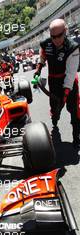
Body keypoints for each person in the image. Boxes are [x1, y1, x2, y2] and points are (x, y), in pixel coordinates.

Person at [34, 19, 80, 148]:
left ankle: (77, 137)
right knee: (55, 109)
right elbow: (42, 55)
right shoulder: (46, 44)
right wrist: (38, 69)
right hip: (53, 81)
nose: (55, 40)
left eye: (59, 36)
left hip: (69, 82)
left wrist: (65, 93)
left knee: (74, 111)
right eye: (52, 36)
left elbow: (71, 74)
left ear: (65, 32)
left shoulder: (73, 48)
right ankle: (55, 118)